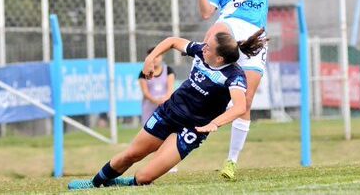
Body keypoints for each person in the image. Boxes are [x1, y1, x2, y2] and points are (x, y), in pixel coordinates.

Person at [67, 29, 267, 190]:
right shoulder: (200, 52)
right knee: (130, 155)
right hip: (168, 113)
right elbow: (172, 41)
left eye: (209, 47)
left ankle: (125, 182)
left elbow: (240, 106)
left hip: (192, 130)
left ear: (220, 59)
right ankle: (94, 183)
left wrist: (214, 123)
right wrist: (150, 58)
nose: (204, 47)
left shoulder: (234, 76)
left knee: (144, 178)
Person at [192, 0, 296, 180]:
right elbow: (206, 13)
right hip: (229, 31)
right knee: (214, 39)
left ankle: (231, 162)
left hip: (253, 40)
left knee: (245, 101)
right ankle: (194, 93)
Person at [138, 49, 175, 124]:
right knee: (148, 130)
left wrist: (164, 101)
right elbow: (145, 92)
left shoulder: (168, 70)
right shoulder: (143, 73)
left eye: (157, 56)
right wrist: (156, 101)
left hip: (165, 106)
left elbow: (170, 89)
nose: (155, 59)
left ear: (162, 57)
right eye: (152, 57)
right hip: (149, 107)